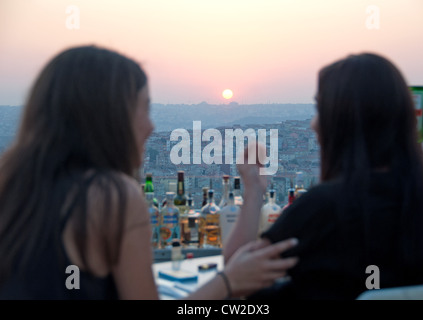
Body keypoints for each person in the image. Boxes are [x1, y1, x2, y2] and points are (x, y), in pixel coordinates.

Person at [0, 45, 299, 300]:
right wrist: (229, 283)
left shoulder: (14, 184)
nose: (151, 126)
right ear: (110, 118)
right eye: (143, 109)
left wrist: (253, 191)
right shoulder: (112, 197)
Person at [224, 53, 423, 300]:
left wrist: (253, 189)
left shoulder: (326, 207)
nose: (313, 124)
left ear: (342, 120)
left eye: (320, 109)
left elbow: (236, 276)